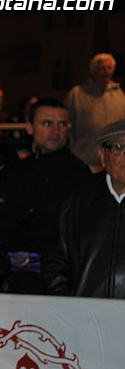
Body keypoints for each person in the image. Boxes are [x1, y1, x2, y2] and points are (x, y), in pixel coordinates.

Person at [0, 98, 91, 294]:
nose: (56, 130)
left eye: (62, 124)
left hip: (59, 278)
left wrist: (18, 208)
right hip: (11, 272)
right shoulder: (13, 171)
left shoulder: (80, 174)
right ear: (29, 128)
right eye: (47, 123)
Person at [43, 120, 125, 298]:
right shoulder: (76, 200)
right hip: (85, 317)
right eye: (119, 147)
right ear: (102, 156)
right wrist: (71, 306)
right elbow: (55, 263)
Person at [66, 53, 125, 170]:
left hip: (114, 164)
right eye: (102, 68)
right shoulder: (76, 94)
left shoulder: (120, 96)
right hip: (84, 161)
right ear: (93, 71)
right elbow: (66, 127)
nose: (106, 72)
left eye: (109, 68)